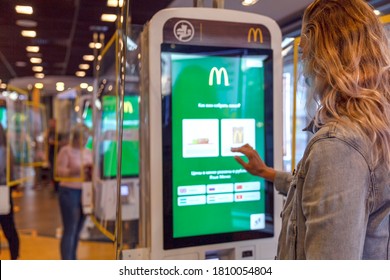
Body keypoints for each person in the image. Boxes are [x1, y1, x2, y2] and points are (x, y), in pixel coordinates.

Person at [232, 0, 390, 260]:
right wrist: (267, 173)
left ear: (326, 56)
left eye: (305, 52)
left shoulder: (337, 145)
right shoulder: (372, 127)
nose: (303, 65)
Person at [56, 123, 93, 260]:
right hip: (69, 191)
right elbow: (59, 171)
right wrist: (77, 170)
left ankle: (73, 258)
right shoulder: (66, 151)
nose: (85, 141)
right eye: (82, 138)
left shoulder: (88, 152)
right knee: (70, 229)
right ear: (76, 138)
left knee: (78, 229)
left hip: (85, 193)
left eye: (86, 138)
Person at [0, 124, 20, 260]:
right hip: (4, 192)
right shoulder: (7, 149)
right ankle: (14, 257)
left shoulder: (4, 150)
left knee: (8, 228)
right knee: (9, 228)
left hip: (2, 192)